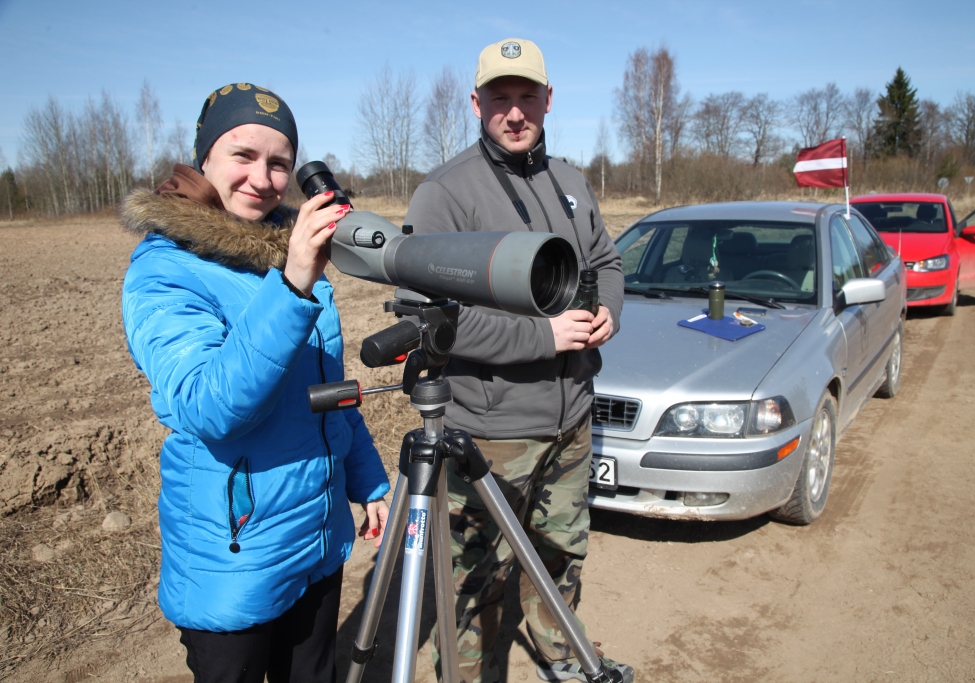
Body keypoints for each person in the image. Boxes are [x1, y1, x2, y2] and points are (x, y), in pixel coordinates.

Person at [120, 83, 391, 683]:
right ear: (204, 160)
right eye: (242, 156)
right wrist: (292, 285)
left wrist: (368, 481)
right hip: (234, 558)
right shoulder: (166, 269)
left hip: (315, 544)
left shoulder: (291, 252)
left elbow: (329, 392)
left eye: (278, 164)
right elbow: (208, 406)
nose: (262, 179)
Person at [404, 40, 631, 683]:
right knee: (476, 576)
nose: (513, 112)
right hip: (493, 434)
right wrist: (545, 338)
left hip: (572, 420)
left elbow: (606, 264)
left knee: (561, 551)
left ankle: (560, 656)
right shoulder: (444, 194)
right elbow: (430, 319)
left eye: (526, 95)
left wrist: (610, 308)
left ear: (548, 100)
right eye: (499, 97)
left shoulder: (571, 182)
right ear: (475, 103)